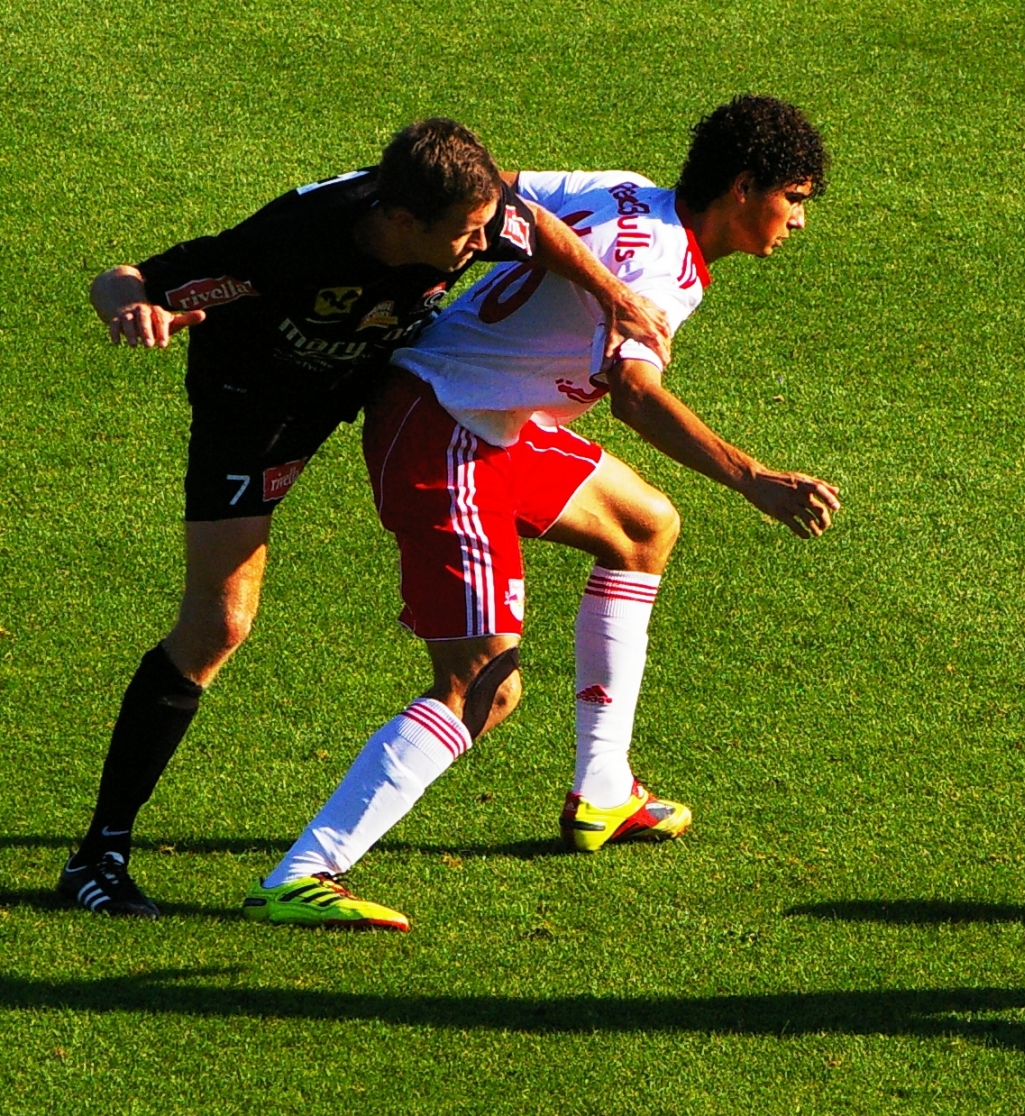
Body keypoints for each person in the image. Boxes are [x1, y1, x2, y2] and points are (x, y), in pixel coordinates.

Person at [242, 95, 837, 931]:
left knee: (642, 526)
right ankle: (304, 870)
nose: (798, 222)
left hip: (497, 418)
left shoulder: (627, 189)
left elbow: (496, 186)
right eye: (796, 199)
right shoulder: (660, 269)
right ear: (744, 188)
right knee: (481, 688)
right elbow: (634, 395)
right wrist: (753, 478)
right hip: (447, 430)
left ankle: (603, 790)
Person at [64, 118, 675, 919]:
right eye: (464, 234)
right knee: (217, 625)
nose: (479, 245)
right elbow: (126, 279)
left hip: (378, 392)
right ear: (398, 222)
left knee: (639, 525)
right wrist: (134, 310)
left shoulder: (463, 213)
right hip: (259, 415)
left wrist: (614, 295)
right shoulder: (289, 243)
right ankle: (98, 856)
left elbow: (538, 226)